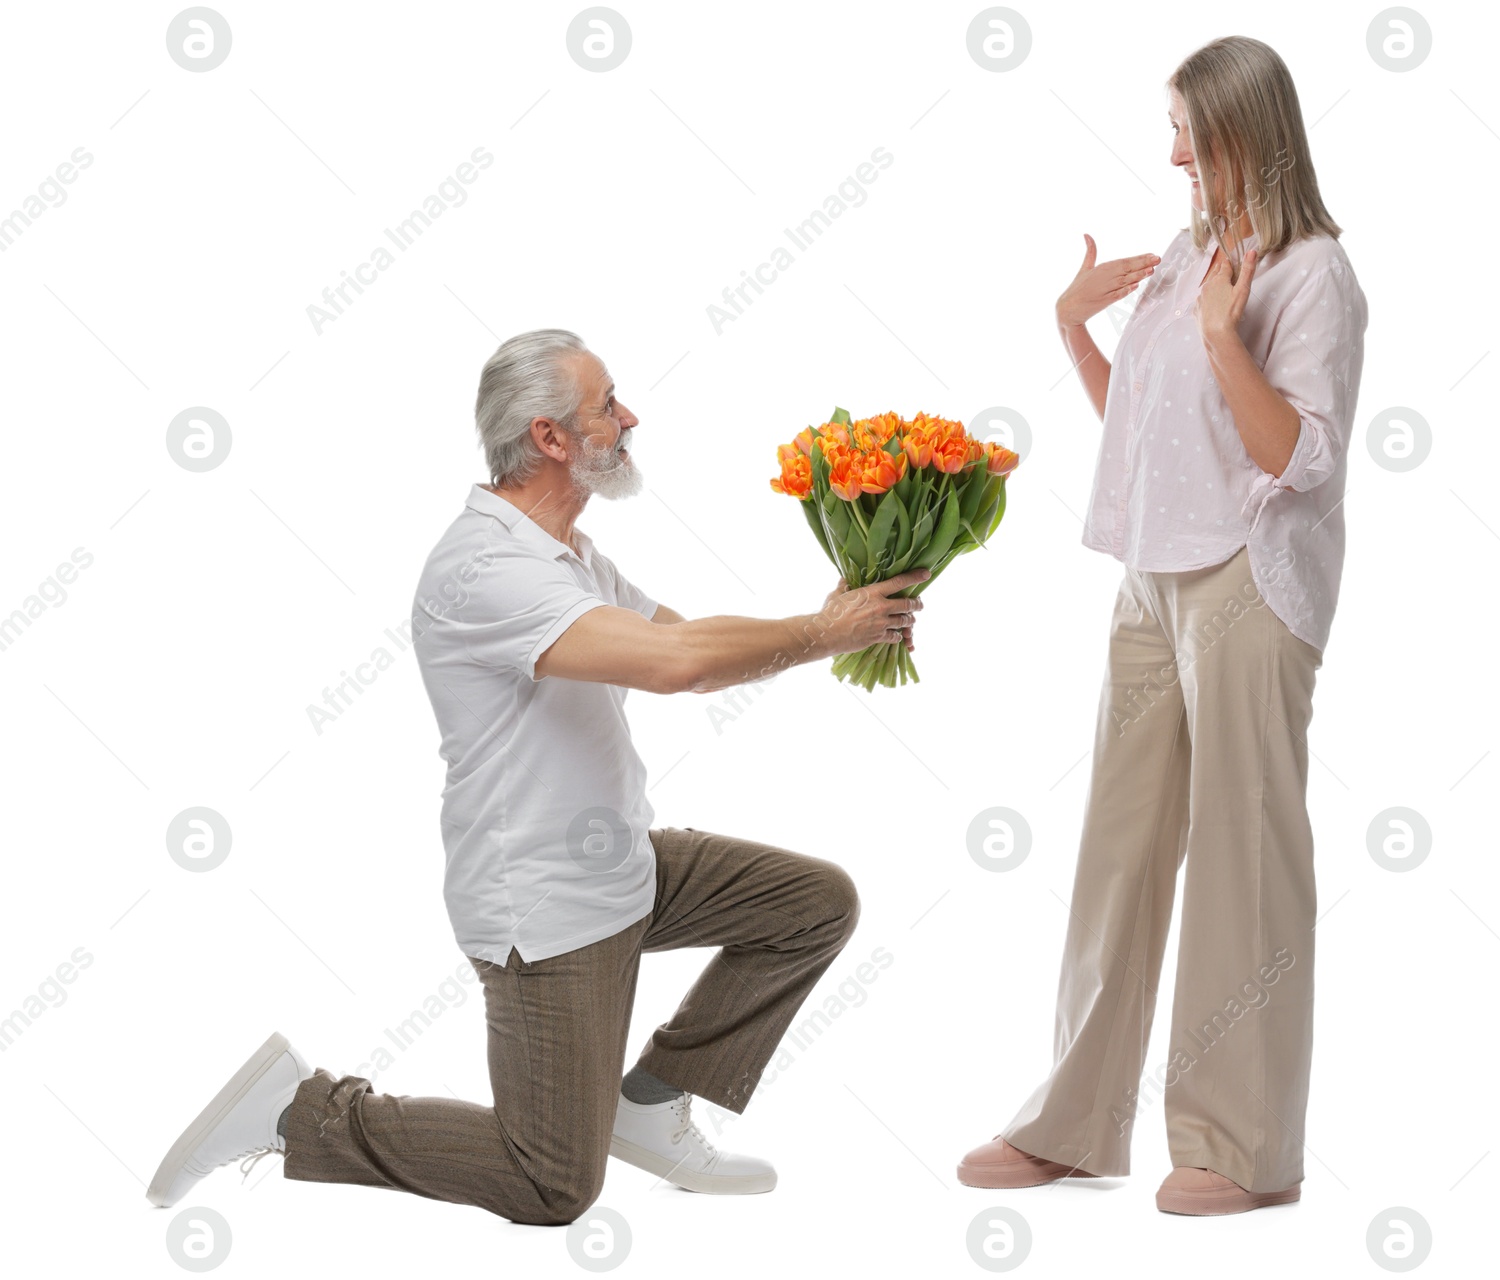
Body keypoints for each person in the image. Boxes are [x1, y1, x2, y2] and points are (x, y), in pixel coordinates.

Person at [146, 328, 928, 1224]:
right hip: (547, 907)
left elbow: (688, 638)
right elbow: (680, 665)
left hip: (621, 865)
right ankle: (297, 1113)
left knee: (811, 903)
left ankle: (652, 1102)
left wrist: (840, 616)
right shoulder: (486, 568)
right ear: (551, 438)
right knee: (550, 1183)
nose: (630, 419)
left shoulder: (571, 556)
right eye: (608, 406)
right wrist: (826, 630)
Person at [957, 35, 1368, 1215]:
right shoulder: (1191, 251)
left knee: (1241, 851)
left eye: (1189, 126)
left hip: (1250, 574)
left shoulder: (1312, 274)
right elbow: (1141, 434)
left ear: (1246, 128)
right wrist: (1076, 332)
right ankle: (1074, 1121)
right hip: (1148, 576)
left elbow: (1302, 457)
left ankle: (1240, 1145)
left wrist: (1219, 341)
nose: (1174, 150)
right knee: (1118, 843)